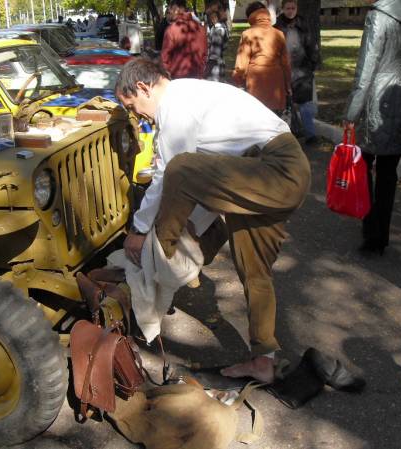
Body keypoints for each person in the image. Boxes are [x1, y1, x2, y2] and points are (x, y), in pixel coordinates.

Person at [115, 58, 311, 383]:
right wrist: (195, 225)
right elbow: (210, 181)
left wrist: (140, 231)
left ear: (143, 88)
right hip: (278, 174)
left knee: (179, 168)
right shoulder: (194, 95)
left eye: (132, 106)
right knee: (255, 273)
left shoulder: (175, 104)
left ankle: (161, 261)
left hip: (273, 170)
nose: (137, 115)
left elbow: (170, 175)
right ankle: (264, 360)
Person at [344, 0, 401, 255]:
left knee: (363, 166)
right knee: (388, 172)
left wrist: (352, 112)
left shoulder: (378, 16)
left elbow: (366, 67)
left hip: (378, 100)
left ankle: (372, 232)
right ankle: (381, 234)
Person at [233, 1, 291, 114]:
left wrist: (238, 82)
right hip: (276, 82)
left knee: (257, 117)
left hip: (256, 82)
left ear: (251, 16)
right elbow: (286, 63)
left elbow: (241, 64)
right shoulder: (279, 34)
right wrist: (288, 85)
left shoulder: (247, 34)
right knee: (275, 119)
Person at [275, 0, 319, 142]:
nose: (290, 11)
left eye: (293, 8)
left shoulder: (303, 24)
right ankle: (289, 136)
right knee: (286, 106)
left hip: (303, 70)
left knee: (305, 104)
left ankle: (310, 134)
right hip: (284, 72)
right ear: (283, 9)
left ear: (297, 8)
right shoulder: (277, 27)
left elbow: (311, 45)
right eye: (288, 8)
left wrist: (312, 64)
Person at [160, 0, 208, 79]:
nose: (170, 12)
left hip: (178, 78)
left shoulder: (171, 29)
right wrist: (200, 71)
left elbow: (165, 57)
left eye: (171, 9)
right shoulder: (200, 28)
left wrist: (168, 73)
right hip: (197, 77)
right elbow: (205, 54)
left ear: (177, 9)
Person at [205, 6, 229, 81]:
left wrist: (209, 64)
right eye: (211, 17)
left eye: (214, 16)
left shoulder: (219, 30)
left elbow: (215, 52)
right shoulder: (215, 28)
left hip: (215, 64)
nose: (212, 19)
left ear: (218, 17)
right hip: (217, 62)